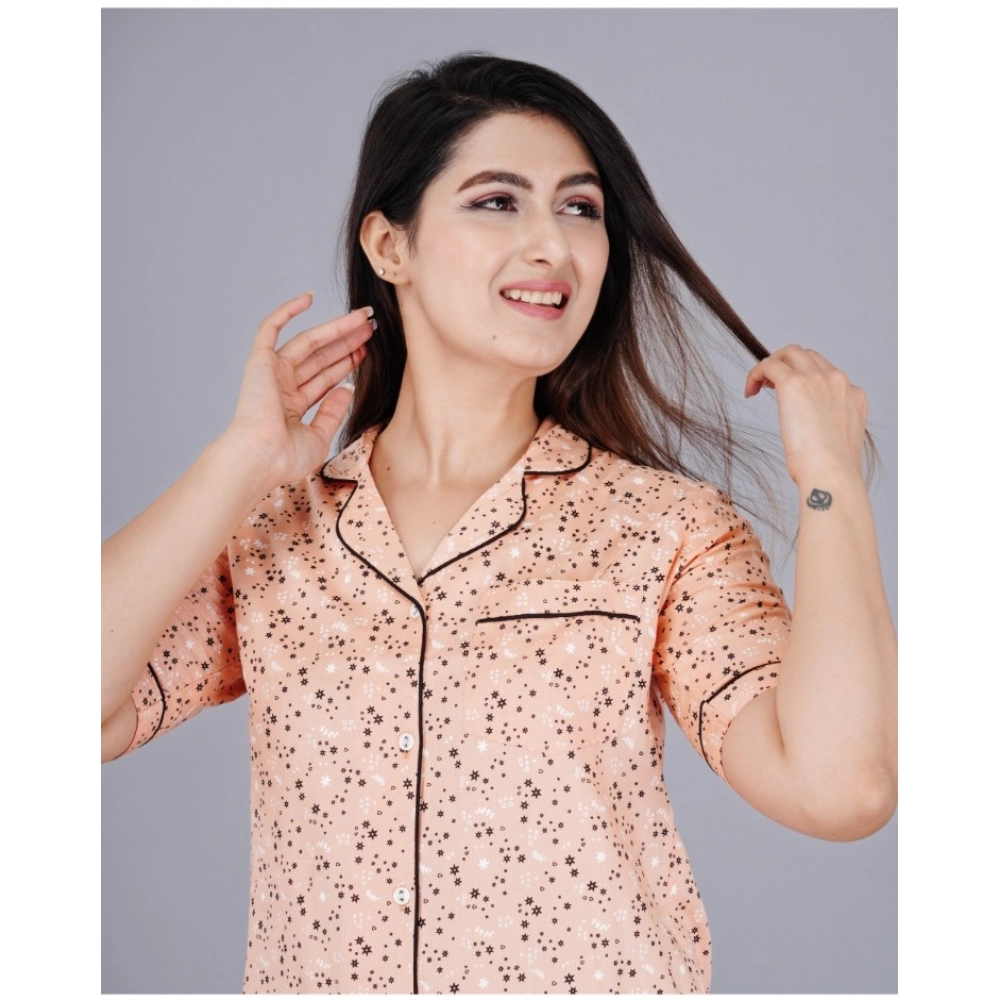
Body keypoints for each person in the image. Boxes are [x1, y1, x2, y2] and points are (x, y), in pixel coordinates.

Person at [102, 53, 897, 994]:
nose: (552, 245)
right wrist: (237, 464)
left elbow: (840, 789)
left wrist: (831, 482)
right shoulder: (273, 531)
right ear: (389, 247)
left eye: (580, 208)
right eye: (497, 201)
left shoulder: (666, 531)